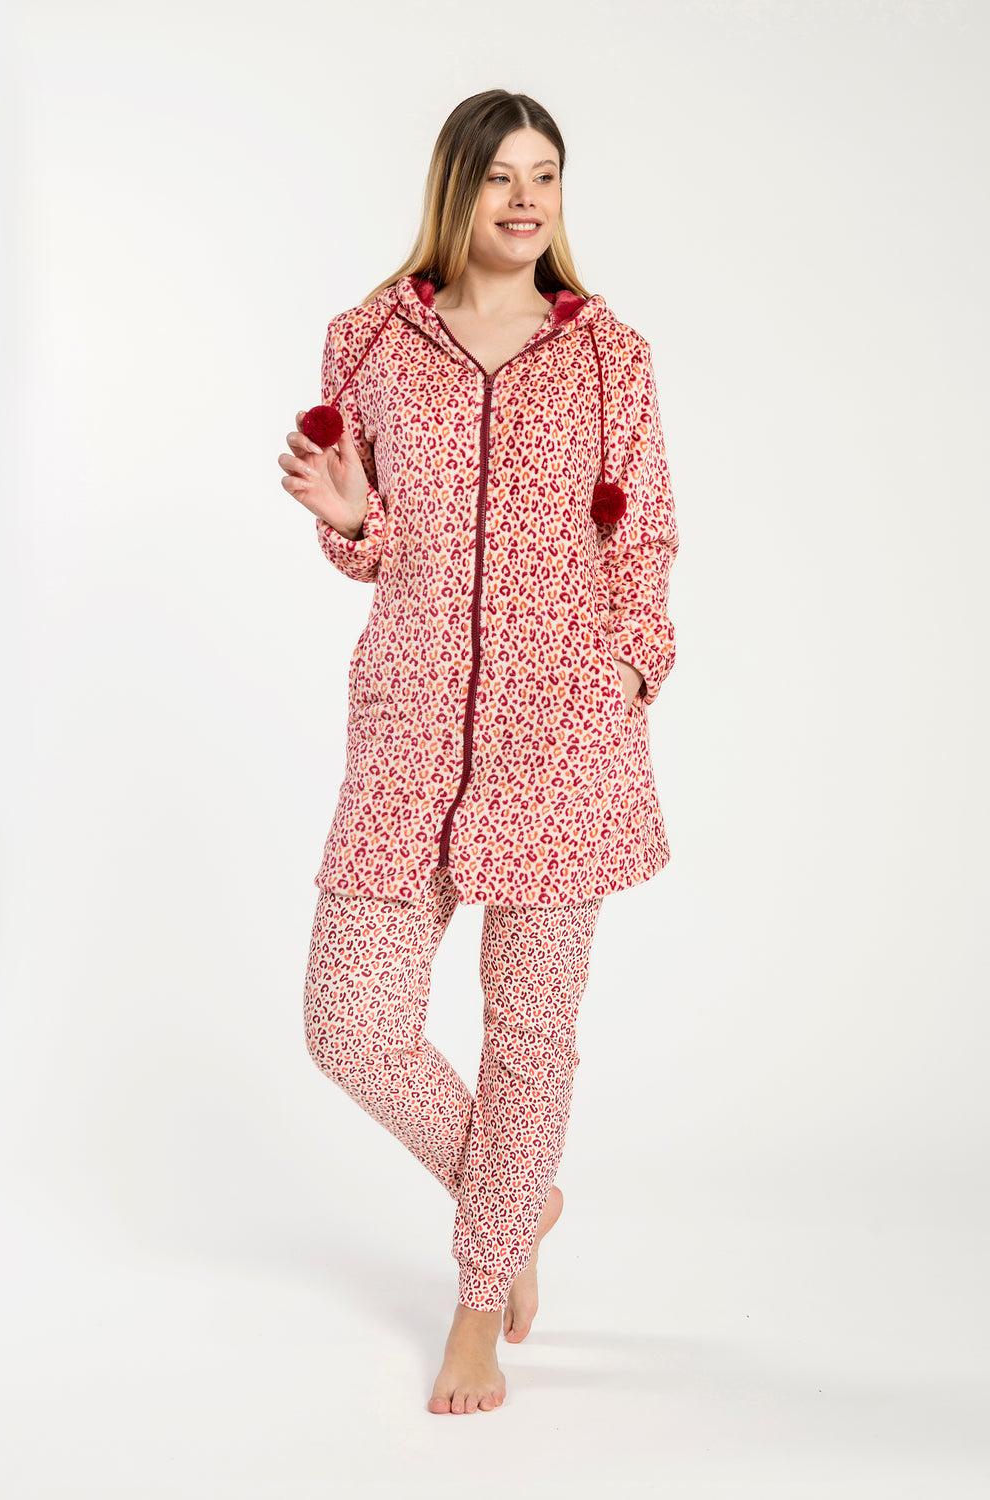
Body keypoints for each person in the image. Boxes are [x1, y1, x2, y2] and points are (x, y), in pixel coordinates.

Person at [278, 88, 680, 1415]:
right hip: (410, 732)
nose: (525, 199)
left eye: (545, 175)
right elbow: (370, 542)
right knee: (350, 1023)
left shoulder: (609, 355)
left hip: (562, 740)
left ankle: (475, 1308)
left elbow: (645, 538)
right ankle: (513, 1200)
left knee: (529, 1039)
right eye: (501, 175)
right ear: (454, 188)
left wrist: (629, 669)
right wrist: (353, 518)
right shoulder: (370, 340)